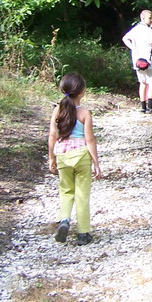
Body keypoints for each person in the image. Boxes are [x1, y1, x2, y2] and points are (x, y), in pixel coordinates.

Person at [47, 73, 102, 246]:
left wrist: (51, 158)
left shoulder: (57, 111)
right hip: (81, 155)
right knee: (82, 194)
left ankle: (64, 219)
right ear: (82, 92)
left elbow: (53, 135)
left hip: (62, 154)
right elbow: (90, 139)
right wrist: (96, 163)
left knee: (66, 190)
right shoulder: (85, 113)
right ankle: (83, 233)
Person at [122, 10, 152, 113]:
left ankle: (143, 107)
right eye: (149, 18)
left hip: (138, 61)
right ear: (143, 18)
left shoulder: (135, 29)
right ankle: (150, 107)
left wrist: (133, 48)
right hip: (150, 61)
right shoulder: (146, 30)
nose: (151, 20)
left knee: (142, 83)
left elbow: (125, 38)